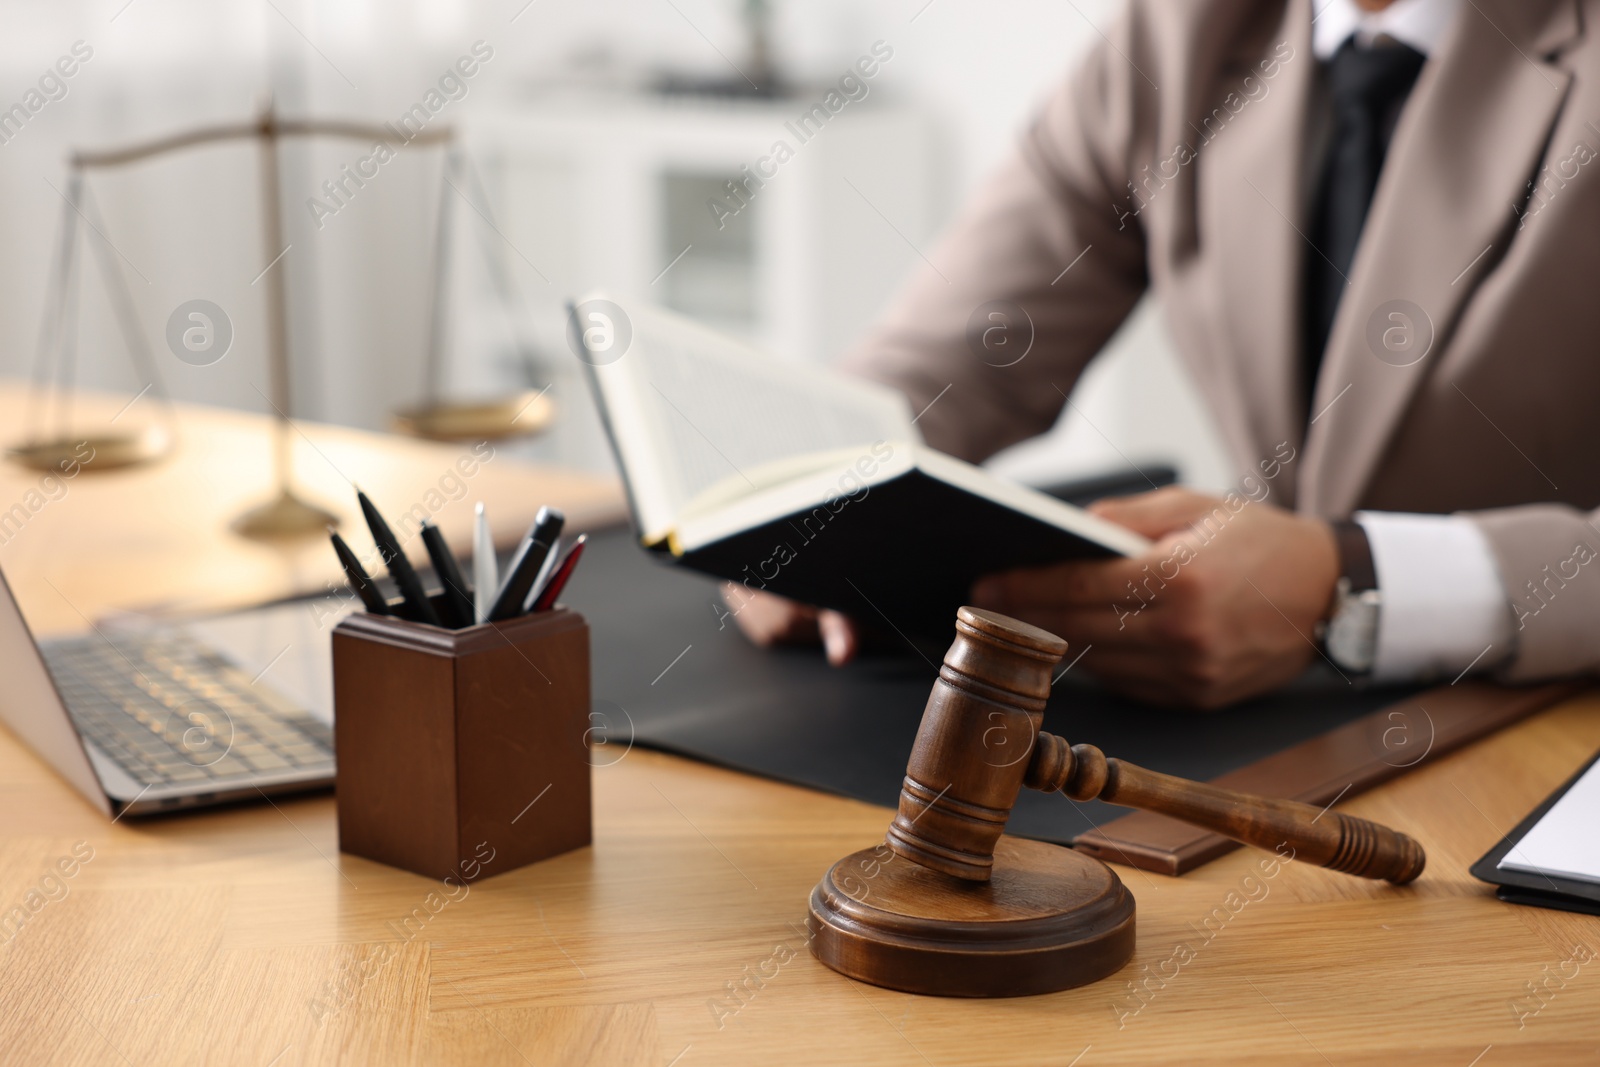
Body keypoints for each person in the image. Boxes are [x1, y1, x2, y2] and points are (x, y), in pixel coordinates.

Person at [729, 0, 1600, 707]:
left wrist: (1356, 585)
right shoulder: (1182, 31)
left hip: (1553, 730)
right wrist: (804, 502)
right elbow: (953, 348)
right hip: (1273, 740)